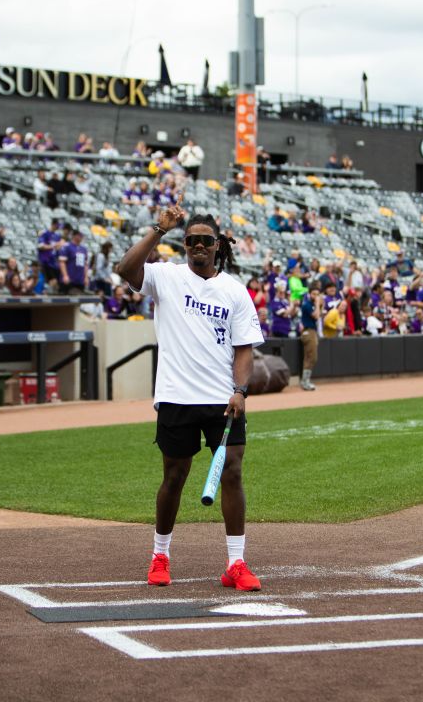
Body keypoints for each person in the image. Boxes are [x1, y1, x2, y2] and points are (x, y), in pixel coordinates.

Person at [113, 202, 265, 592]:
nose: (199, 246)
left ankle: (236, 563)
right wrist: (158, 230)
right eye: (192, 240)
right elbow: (125, 270)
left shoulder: (234, 291)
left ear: (218, 245)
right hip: (177, 396)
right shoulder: (165, 276)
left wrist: (240, 390)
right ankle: (159, 555)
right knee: (174, 477)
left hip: (222, 400)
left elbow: (244, 347)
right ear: (184, 245)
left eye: (206, 240)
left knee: (231, 472)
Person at [58, 228, 90, 294]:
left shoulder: (83, 249)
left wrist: (86, 277)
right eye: (79, 235)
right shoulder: (67, 247)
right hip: (69, 278)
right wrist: (65, 275)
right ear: (74, 236)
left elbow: (85, 265)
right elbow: (62, 262)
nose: (81, 237)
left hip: (80, 279)